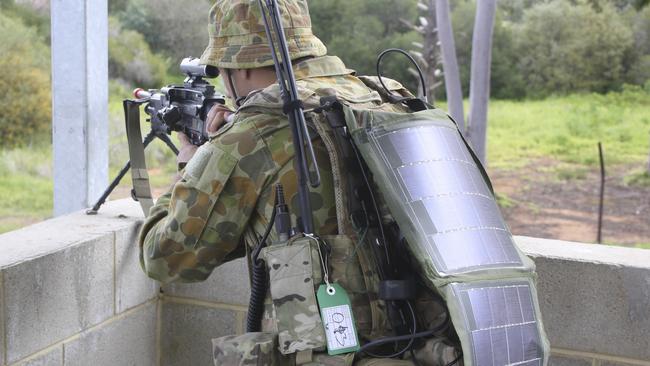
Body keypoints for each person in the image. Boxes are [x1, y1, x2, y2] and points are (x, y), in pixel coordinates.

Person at [138, 0, 459, 364]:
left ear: (237, 69)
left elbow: (165, 258)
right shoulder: (387, 99)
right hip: (425, 346)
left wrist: (190, 167)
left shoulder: (254, 135)